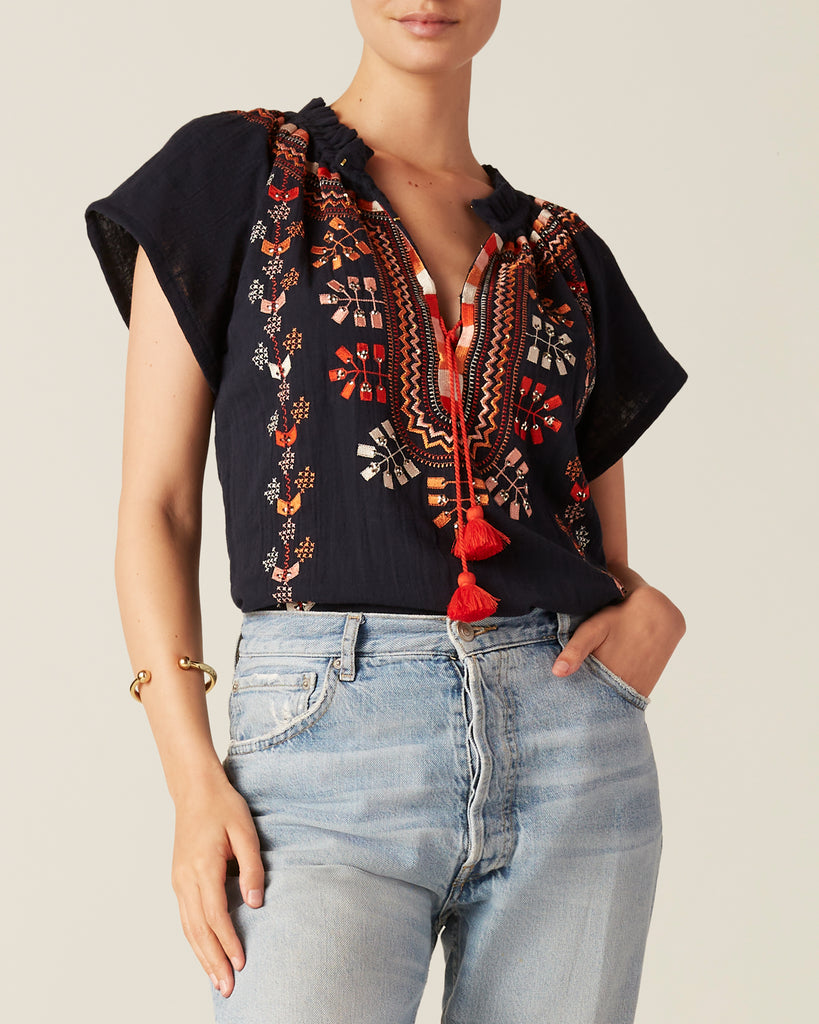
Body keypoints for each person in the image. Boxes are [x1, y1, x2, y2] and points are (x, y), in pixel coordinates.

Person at [85, 3, 687, 1021]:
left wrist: (646, 621)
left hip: (574, 756)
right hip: (324, 748)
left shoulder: (561, 255)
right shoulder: (239, 176)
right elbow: (159, 506)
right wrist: (191, 780)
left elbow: (595, 543)